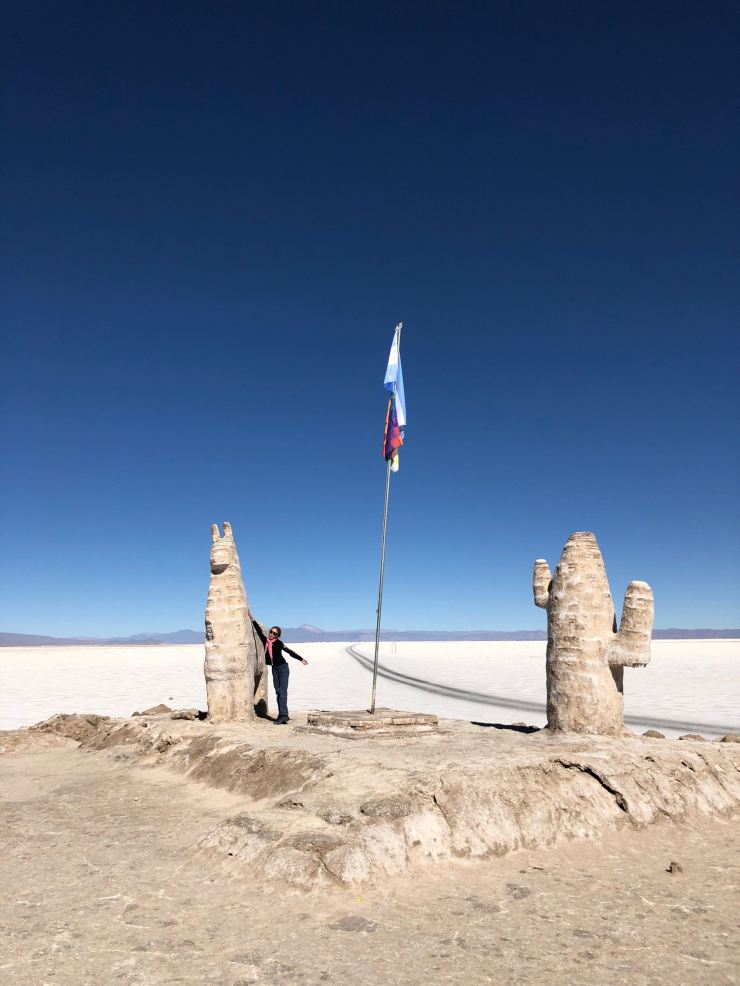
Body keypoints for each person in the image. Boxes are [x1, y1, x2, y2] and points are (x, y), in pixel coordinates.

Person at [251, 620, 308, 724]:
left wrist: (301, 659)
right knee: (278, 692)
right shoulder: (266, 641)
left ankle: (283, 715)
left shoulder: (279, 643)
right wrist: (252, 620)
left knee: (282, 692)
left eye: (274, 633)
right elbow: (259, 631)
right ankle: (283, 714)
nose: (272, 634)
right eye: (271, 632)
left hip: (283, 668)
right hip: (275, 669)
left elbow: (289, 652)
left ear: (278, 636)